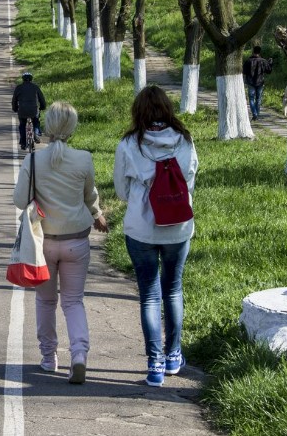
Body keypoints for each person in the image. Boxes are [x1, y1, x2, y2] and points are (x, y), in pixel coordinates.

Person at [13, 102, 108, 383]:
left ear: (48, 126)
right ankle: (78, 355)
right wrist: (97, 214)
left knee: (45, 301)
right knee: (73, 301)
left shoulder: (33, 161)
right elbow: (89, 195)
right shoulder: (84, 159)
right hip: (76, 242)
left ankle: (47, 357)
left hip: (43, 242)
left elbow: (20, 200)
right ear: (72, 128)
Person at [113, 85, 198, 388]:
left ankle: (155, 364)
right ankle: (174, 354)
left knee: (149, 294)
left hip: (141, 229)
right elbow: (191, 179)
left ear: (138, 112)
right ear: (167, 109)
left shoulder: (128, 144)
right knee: (173, 289)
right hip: (178, 228)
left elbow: (122, 191)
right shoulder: (185, 141)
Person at [12, 71, 47, 150]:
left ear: (23, 79)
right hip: (34, 110)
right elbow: (42, 99)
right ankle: (36, 133)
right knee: (36, 122)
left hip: (22, 110)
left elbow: (14, 100)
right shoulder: (35, 87)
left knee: (22, 125)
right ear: (31, 79)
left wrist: (15, 108)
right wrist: (42, 107)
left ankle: (23, 143)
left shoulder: (19, 88)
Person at [242, 45, 274, 121]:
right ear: (259, 52)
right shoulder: (263, 61)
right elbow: (269, 71)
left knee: (251, 99)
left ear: (253, 51)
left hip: (250, 83)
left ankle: (254, 114)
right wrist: (270, 63)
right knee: (258, 99)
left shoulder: (248, 61)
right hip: (260, 82)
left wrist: (244, 81)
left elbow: (244, 72)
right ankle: (257, 114)